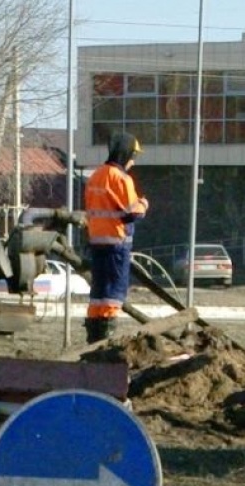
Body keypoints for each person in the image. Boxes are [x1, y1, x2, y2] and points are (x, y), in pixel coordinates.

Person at [83, 131, 149, 343]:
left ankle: (94, 337)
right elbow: (132, 213)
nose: (133, 161)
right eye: (133, 156)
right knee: (113, 295)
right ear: (126, 154)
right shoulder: (121, 179)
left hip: (97, 242)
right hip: (116, 245)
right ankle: (105, 339)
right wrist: (144, 204)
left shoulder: (96, 176)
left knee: (98, 294)